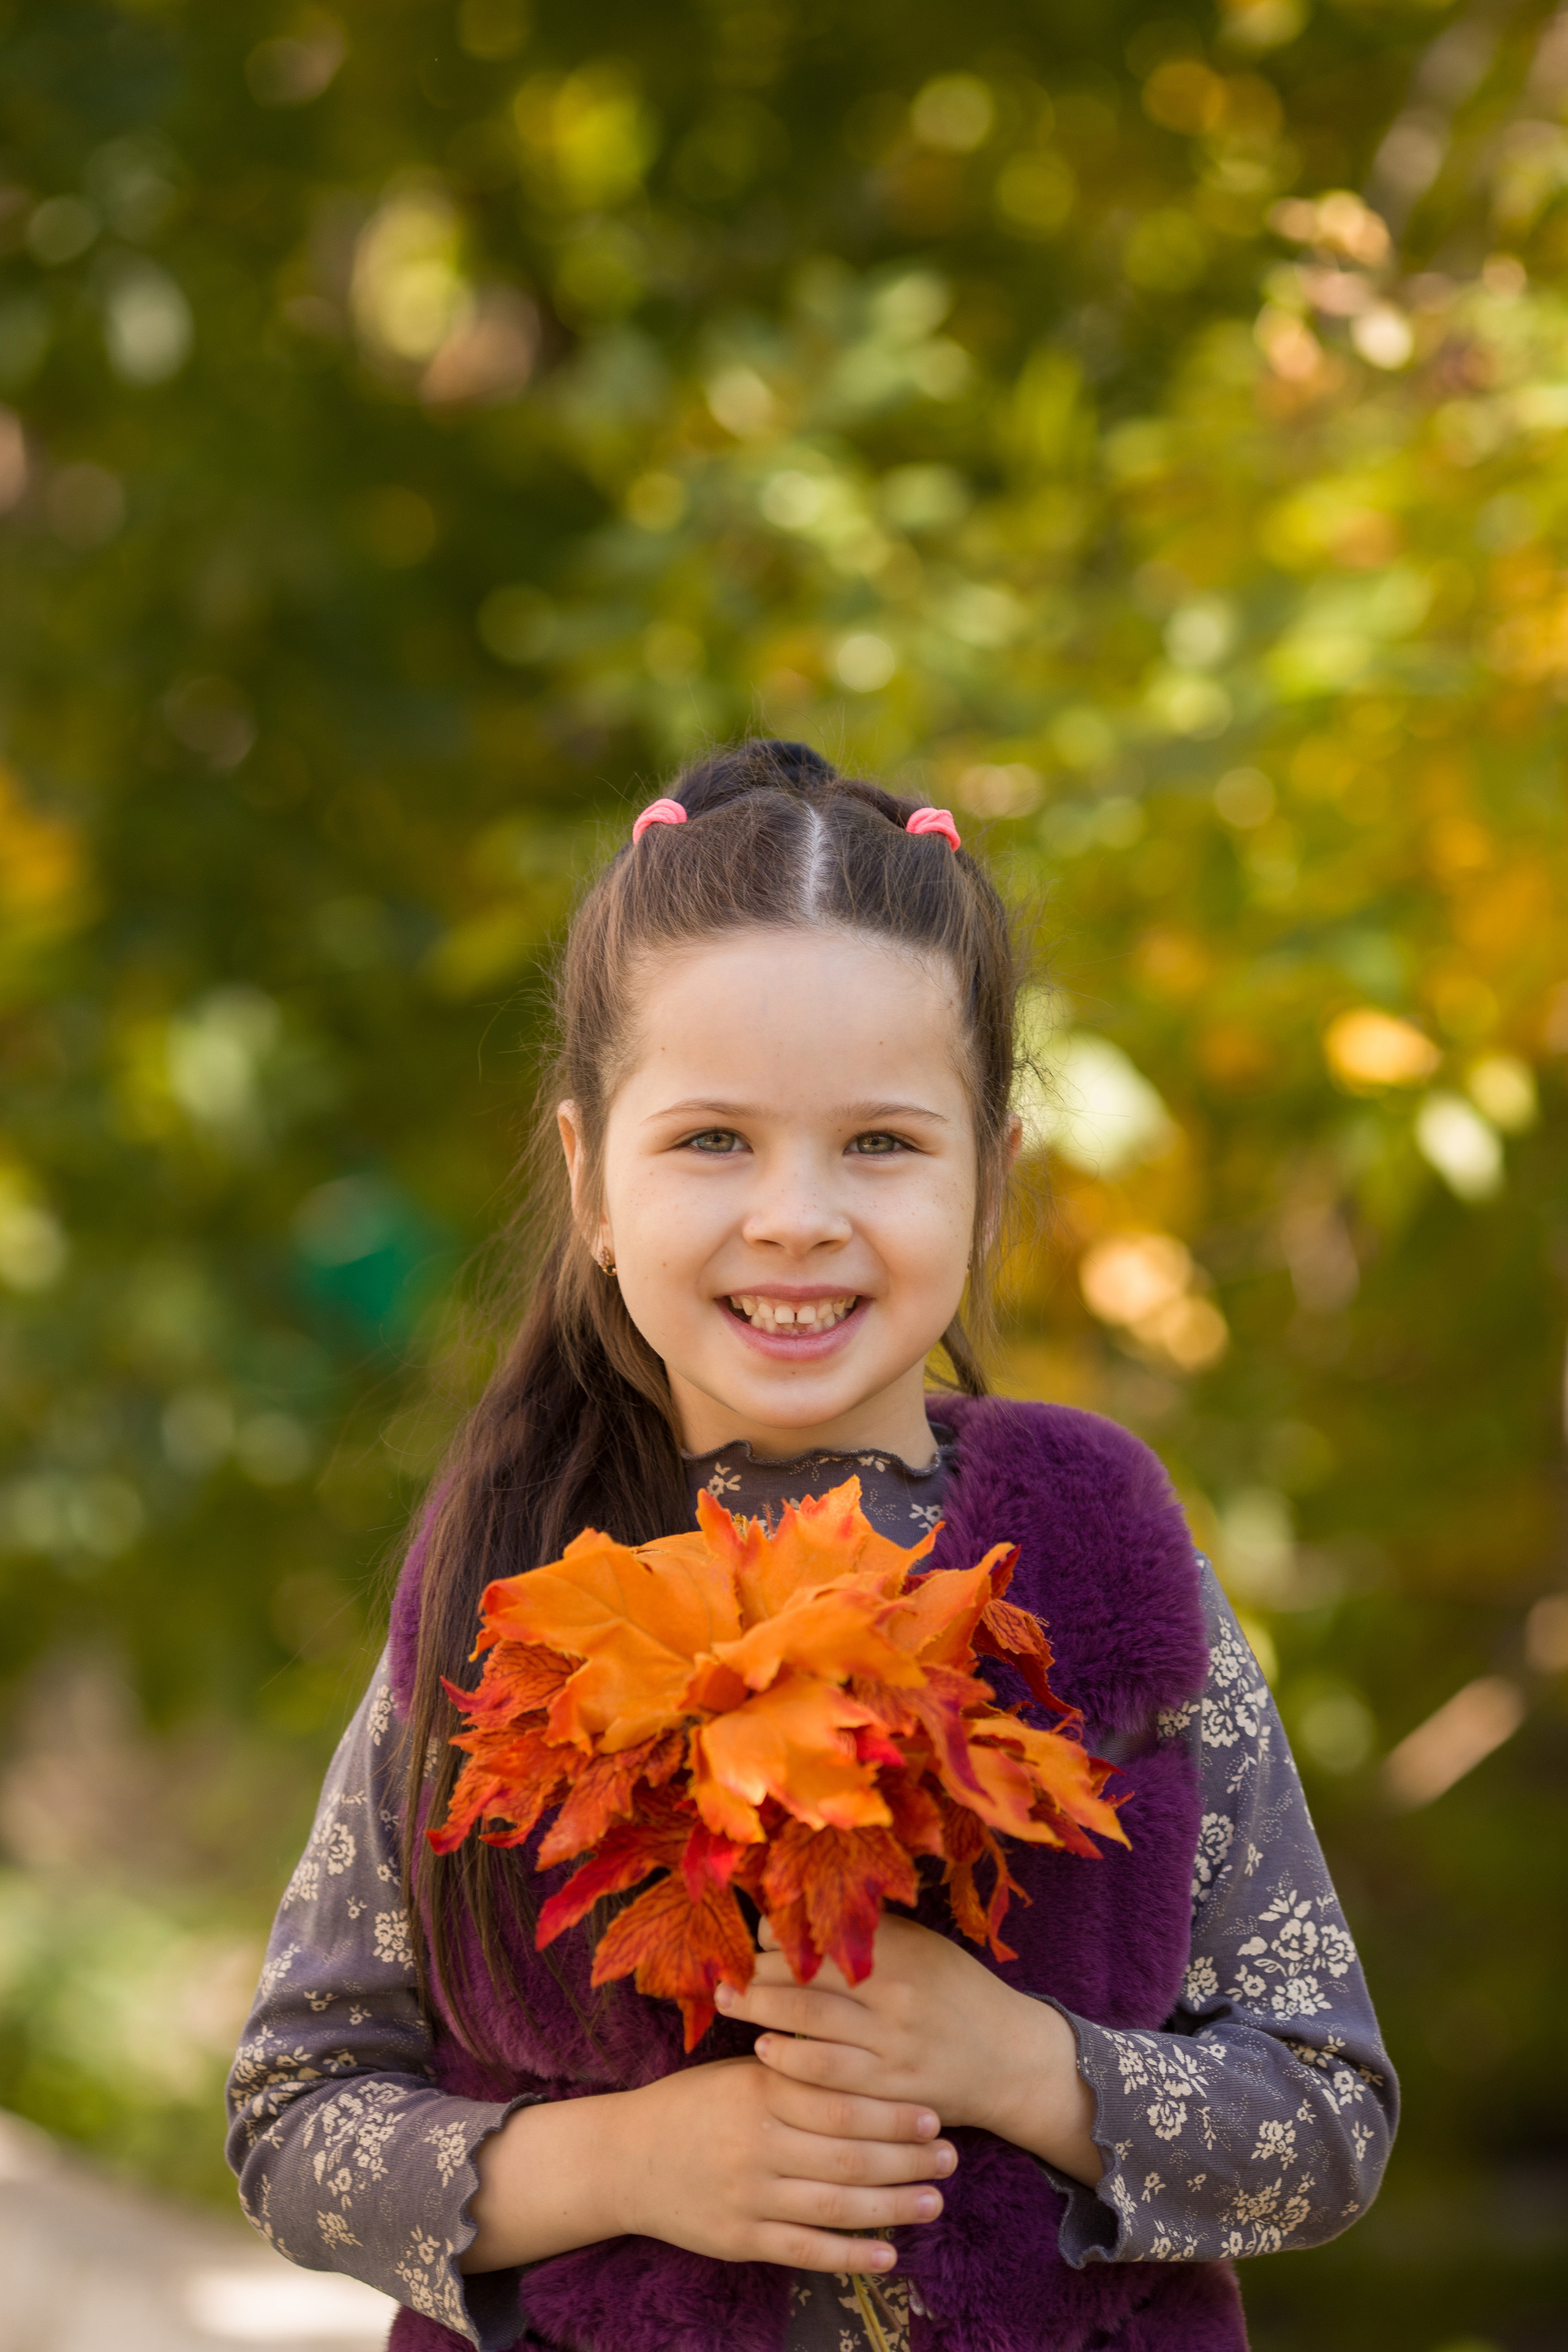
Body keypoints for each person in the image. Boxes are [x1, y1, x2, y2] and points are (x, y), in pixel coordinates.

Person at [226, 741, 1396, 2352]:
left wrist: (1019, 2067)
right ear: (591, 1181)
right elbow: (297, 2123)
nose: (795, 1216)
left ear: (992, 1180)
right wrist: (627, 2164)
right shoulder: (508, 1562)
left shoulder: (1098, 1540)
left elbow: (1326, 2121)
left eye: (881, 1144)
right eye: (713, 1141)